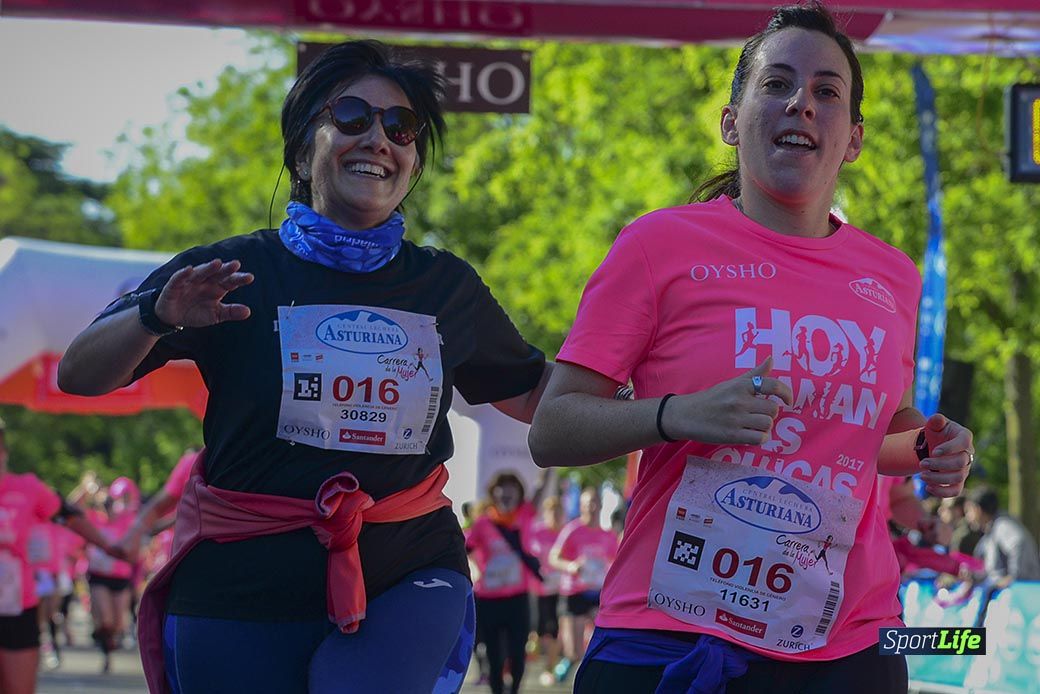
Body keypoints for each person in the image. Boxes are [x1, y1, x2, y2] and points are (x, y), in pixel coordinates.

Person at [57, 39, 550, 694]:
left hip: (408, 569)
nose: (378, 138)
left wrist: (648, 394)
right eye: (351, 117)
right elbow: (78, 374)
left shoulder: (446, 287)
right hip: (240, 582)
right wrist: (157, 314)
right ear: (301, 149)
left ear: (413, 161)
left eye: (400, 127)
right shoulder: (231, 271)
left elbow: (533, 394)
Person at [528, 4, 974, 692]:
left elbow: (871, 436)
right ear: (732, 120)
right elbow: (553, 428)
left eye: (827, 91)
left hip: (848, 643)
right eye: (777, 84)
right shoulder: (660, 245)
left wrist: (930, 446)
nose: (802, 102)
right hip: (672, 633)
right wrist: (675, 414)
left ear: (852, 138)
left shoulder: (891, 275)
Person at [0, 418, 124, 694]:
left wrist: (107, 545)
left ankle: (50, 642)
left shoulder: (27, 489)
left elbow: (68, 514)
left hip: (16, 607)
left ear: (3, 451)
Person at [465, 472, 540, 694]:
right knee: (494, 658)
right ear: (493, 494)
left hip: (517, 599)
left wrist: (551, 464)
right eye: (502, 488)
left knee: (518, 656)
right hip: (488, 600)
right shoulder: (482, 523)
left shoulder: (525, 515)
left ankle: (514, 690)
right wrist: (475, 568)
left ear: (519, 494)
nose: (507, 493)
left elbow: (542, 489)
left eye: (512, 489)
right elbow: (464, 551)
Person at [549, 486, 618, 683]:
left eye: (595, 503)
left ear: (601, 506)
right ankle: (566, 664)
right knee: (574, 651)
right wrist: (570, 566)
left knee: (602, 643)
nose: (592, 507)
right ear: (581, 507)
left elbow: (617, 561)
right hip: (574, 593)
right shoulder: (573, 530)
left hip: (597, 593)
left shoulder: (608, 535)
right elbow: (554, 557)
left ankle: (591, 680)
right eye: (588, 504)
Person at [84, 477, 140, 673]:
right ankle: (105, 651)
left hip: (121, 577)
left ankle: (103, 638)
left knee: (118, 624)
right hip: (99, 576)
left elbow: (143, 531)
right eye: (103, 504)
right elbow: (72, 507)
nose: (107, 508)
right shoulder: (93, 519)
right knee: (106, 620)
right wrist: (87, 488)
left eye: (110, 504)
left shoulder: (126, 520)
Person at [963, 485, 1040, 589]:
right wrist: (973, 574)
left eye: (968, 511)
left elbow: (1019, 543)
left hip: (1021, 596)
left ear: (978, 509)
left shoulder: (1002, 525)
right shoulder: (990, 531)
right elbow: (991, 569)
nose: (967, 517)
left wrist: (1014, 578)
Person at [527, 496, 566, 687]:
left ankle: (549, 668)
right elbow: (529, 556)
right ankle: (534, 642)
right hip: (538, 589)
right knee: (539, 631)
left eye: (558, 512)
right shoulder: (537, 531)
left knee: (553, 631)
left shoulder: (566, 533)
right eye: (552, 512)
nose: (555, 516)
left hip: (560, 590)